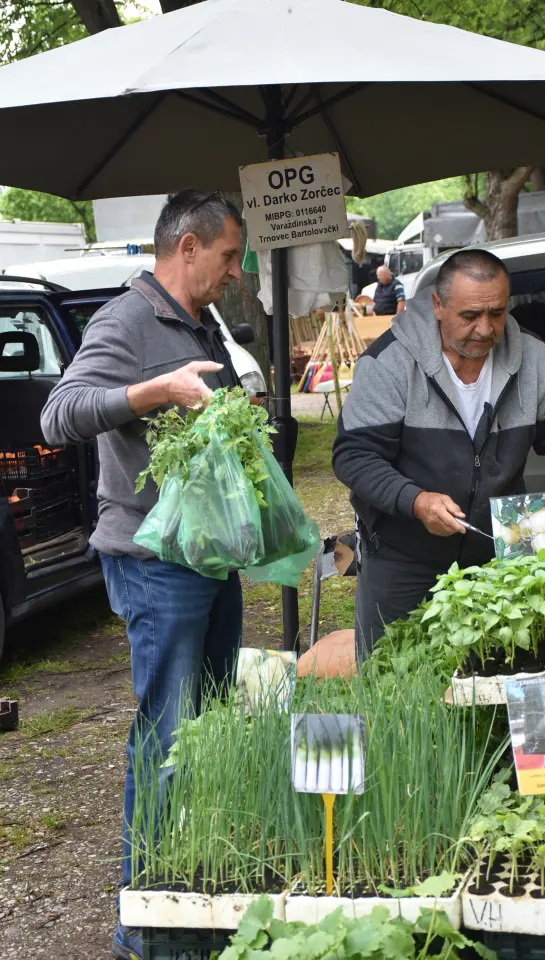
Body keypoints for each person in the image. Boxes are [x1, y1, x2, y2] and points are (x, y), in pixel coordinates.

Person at [40, 189, 244, 960]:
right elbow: (58, 415)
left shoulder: (198, 318)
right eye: (227, 256)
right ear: (186, 247)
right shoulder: (125, 320)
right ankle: (144, 929)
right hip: (155, 566)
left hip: (207, 558)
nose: (234, 272)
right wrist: (153, 391)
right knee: (164, 738)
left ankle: (195, 894)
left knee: (209, 734)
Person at [333, 249, 545, 659]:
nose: (486, 328)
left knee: (510, 676)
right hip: (404, 552)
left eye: (497, 312)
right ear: (438, 305)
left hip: (508, 546)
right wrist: (416, 501)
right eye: (470, 315)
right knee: (395, 685)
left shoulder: (533, 358)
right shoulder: (389, 363)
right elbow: (354, 455)